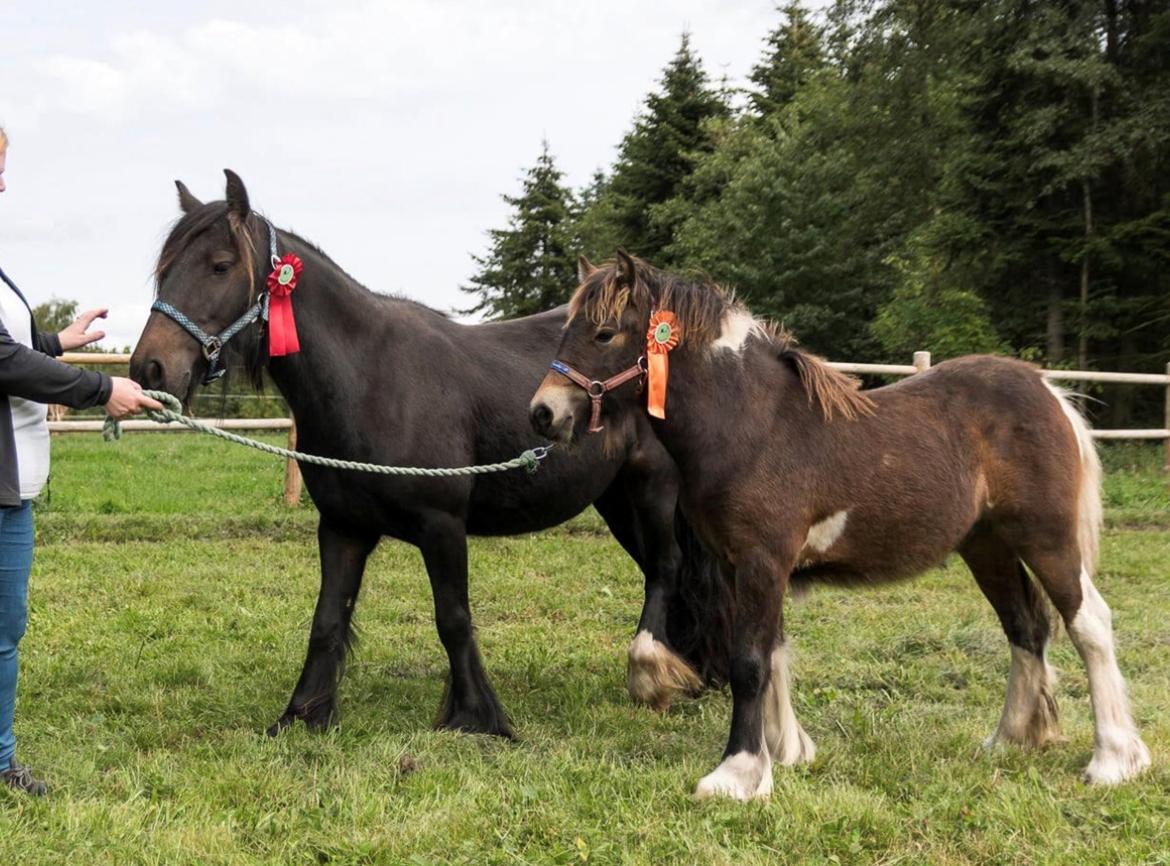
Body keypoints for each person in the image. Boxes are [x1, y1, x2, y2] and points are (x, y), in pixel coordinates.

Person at [0, 125, 162, 796]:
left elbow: (14, 344)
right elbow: (2, 360)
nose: (2, 183)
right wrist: (101, 389)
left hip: (14, 486)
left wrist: (57, 341)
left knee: (6, 627)